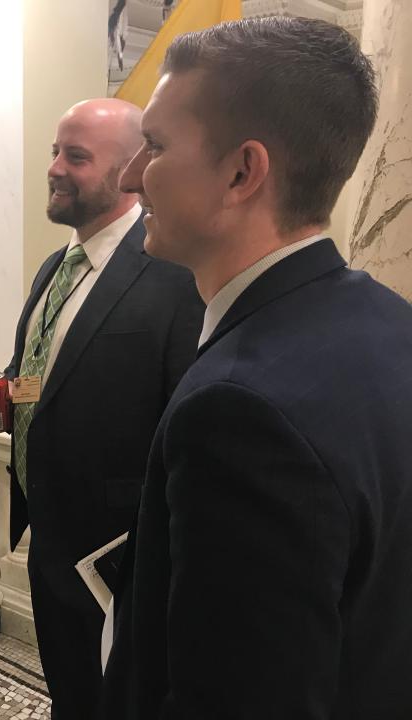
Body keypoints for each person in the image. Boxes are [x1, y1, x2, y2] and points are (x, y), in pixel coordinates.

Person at [100, 17, 412, 719]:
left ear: (243, 171)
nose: (129, 177)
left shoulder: (240, 412)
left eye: (153, 146)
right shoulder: (391, 322)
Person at [0, 98, 203, 718]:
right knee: (70, 690)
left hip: (120, 561)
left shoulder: (175, 276)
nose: (54, 168)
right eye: (54, 151)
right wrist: (6, 394)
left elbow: (187, 431)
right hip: (48, 542)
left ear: (128, 171)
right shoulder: (56, 267)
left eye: (76, 156)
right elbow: (46, 378)